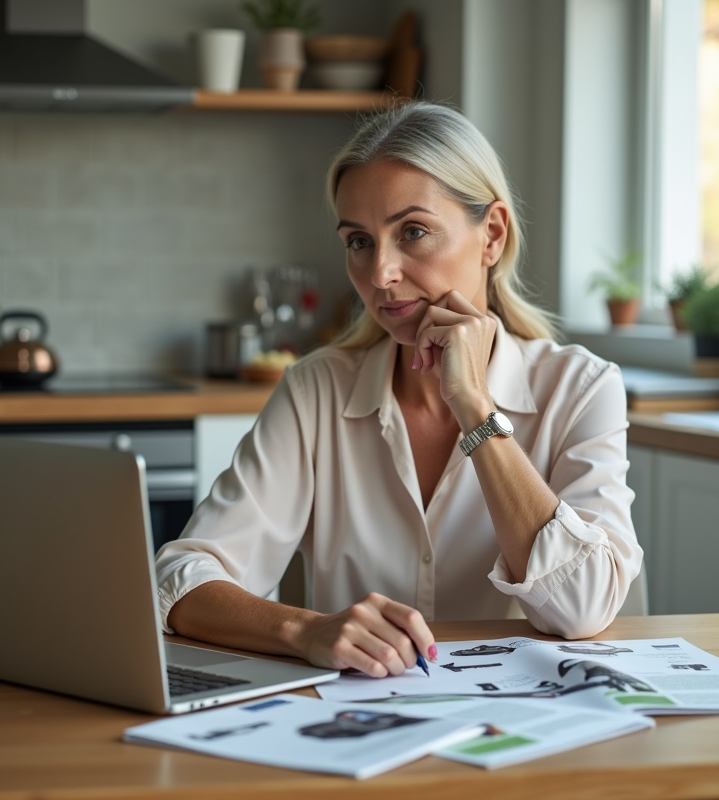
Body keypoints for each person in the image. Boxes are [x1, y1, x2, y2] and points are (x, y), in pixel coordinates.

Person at [157, 101, 641, 680]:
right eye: (359, 241)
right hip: (358, 736)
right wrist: (308, 629)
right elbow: (180, 581)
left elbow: (582, 607)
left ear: (491, 234)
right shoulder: (316, 391)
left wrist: (474, 407)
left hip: (528, 734)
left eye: (413, 232)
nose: (381, 274)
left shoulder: (582, 389)